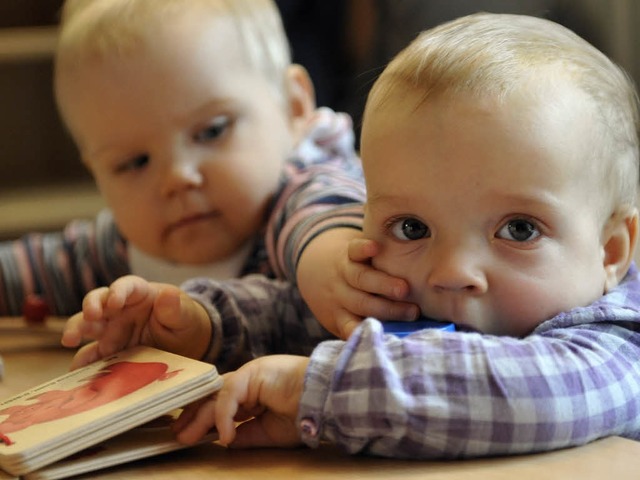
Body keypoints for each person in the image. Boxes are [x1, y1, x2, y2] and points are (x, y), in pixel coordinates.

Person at [63, 12, 640, 458]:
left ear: (611, 250)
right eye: (412, 227)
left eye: (518, 229)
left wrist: (320, 388)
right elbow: (301, 311)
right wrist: (202, 322)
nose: (451, 272)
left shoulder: (614, 342)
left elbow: (533, 396)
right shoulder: (417, 290)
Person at [0, 0, 416, 323]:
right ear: (97, 173)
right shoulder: (120, 250)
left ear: (293, 106)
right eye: (134, 162)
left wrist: (334, 265)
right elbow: (30, 269)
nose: (177, 177)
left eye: (211, 132)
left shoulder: (305, 188)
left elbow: (324, 219)